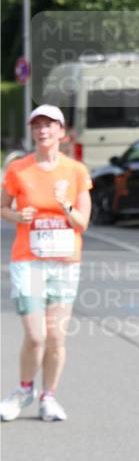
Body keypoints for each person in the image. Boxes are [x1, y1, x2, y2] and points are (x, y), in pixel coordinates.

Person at [0, 105, 92, 422]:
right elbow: (3, 207)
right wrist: (16, 214)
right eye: (37, 125)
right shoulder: (18, 170)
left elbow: (82, 223)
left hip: (65, 262)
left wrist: (64, 203)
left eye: (49, 125)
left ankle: (48, 397)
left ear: (61, 132)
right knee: (36, 335)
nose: (42, 130)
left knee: (56, 337)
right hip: (29, 260)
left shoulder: (76, 171)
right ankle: (24, 389)